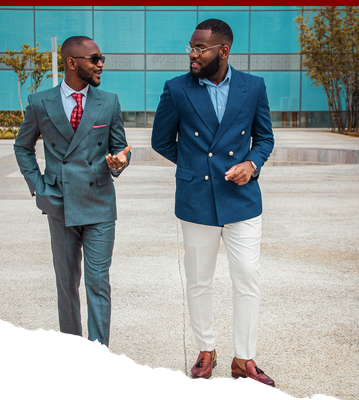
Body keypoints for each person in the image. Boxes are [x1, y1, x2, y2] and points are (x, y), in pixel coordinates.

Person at [151, 19, 275, 385]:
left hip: (242, 199)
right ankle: (206, 349)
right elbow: (162, 141)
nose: (192, 54)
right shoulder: (176, 89)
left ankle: (244, 359)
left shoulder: (254, 87)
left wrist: (252, 164)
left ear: (223, 51)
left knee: (248, 279)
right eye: (190, 47)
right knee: (198, 280)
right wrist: (195, 166)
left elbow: (264, 138)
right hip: (197, 200)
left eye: (199, 48)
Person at [14, 36, 131, 349]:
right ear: (71, 62)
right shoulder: (41, 102)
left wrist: (119, 161)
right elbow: (22, 147)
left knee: (98, 283)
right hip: (60, 203)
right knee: (66, 285)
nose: (100, 64)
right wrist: (39, 188)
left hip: (100, 205)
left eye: (101, 58)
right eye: (94, 58)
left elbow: (120, 147)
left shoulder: (109, 101)